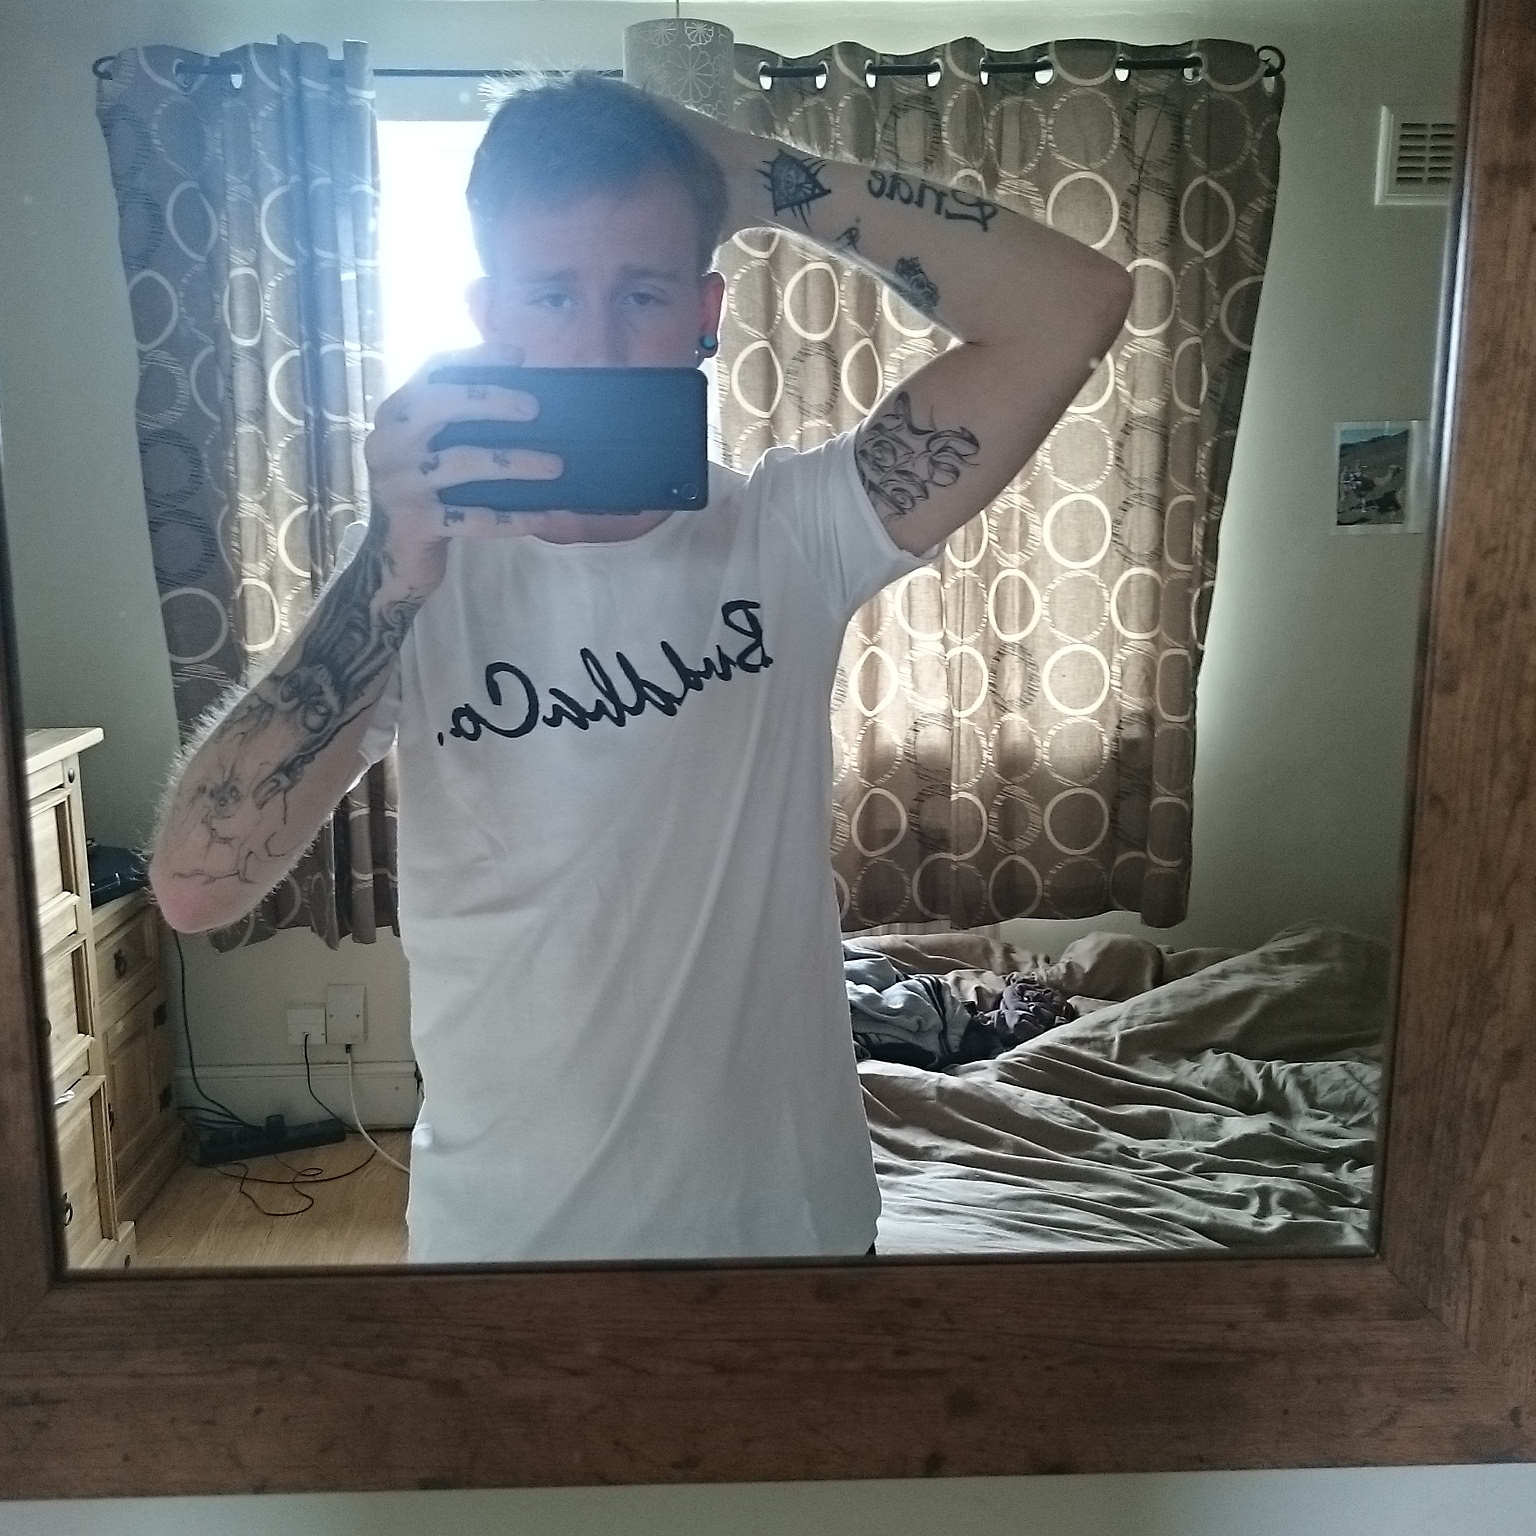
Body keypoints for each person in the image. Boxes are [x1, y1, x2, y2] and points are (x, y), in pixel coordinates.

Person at [149, 72, 1131, 1263]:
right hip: (506, 1253)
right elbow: (196, 886)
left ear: (704, 312)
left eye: (643, 292)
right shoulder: (415, 584)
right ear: (488, 314)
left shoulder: (794, 533)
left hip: (792, 1239)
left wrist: (754, 175)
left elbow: (1073, 303)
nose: (600, 345)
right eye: (552, 294)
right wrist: (389, 569)